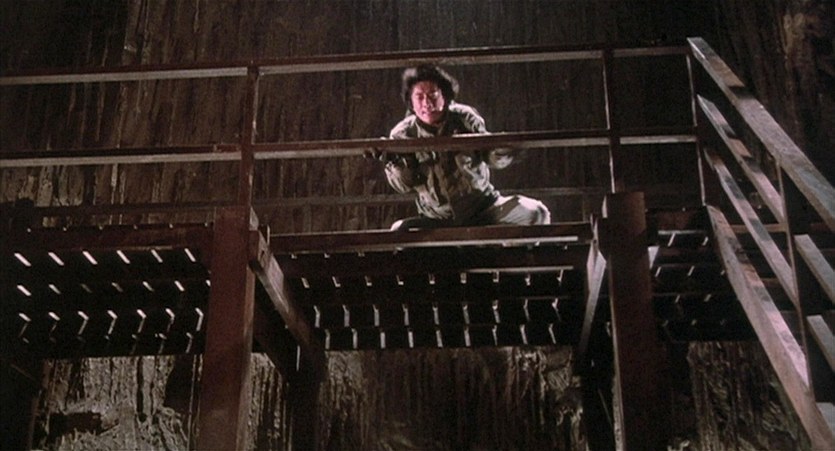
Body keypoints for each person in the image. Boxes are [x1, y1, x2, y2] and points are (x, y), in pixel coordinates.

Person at [372, 64, 551, 231]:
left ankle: (501, 252)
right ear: (411, 102)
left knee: (536, 213)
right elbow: (404, 186)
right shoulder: (402, 134)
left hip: (484, 208)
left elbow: (491, 156)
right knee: (399, 231)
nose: (426, 103)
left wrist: (505, 149)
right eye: (419, 97)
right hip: (437, 218)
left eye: (433, 95)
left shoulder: (464, 117)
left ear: (445, 96)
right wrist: (393, 161)